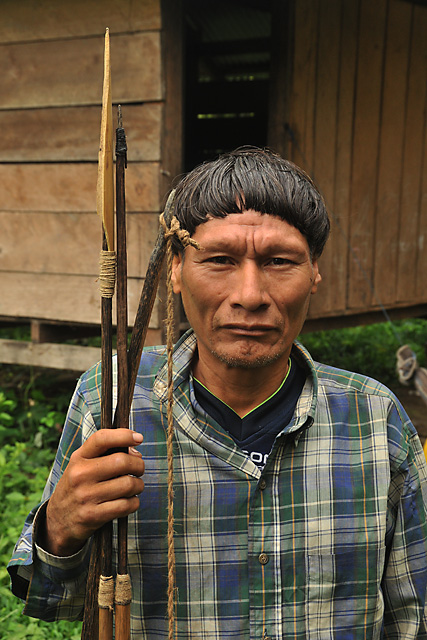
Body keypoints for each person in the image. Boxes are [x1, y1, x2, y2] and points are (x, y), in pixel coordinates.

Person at [9, 147, 427, 639]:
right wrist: (59, 528)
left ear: (315, 272)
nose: (249, 295)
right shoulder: (115, 398)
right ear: (177, 271)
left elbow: (413, 616)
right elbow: (51, 599)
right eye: (220, 260)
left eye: (279, 261)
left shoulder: (374, 419)